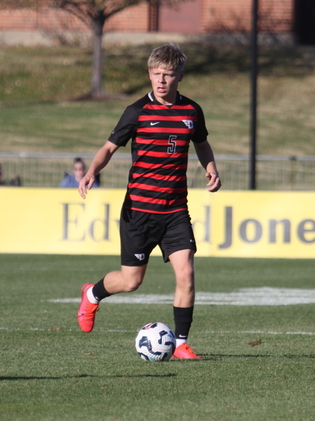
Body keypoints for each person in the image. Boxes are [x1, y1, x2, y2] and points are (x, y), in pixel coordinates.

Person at [76, 42, 221, 360]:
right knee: (131, 281)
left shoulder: (191, 111)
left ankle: (181, 343)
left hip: (174, 212)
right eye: (156, 74)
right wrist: (91, 172)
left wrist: (211, 169)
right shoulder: (137, 112)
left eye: (168, 75)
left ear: (180, 75)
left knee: (186, 274)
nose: (161, 81)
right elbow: (108, 148)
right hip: (139, 211)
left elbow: (202, 144)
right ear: (149, 74)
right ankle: (92, 293)